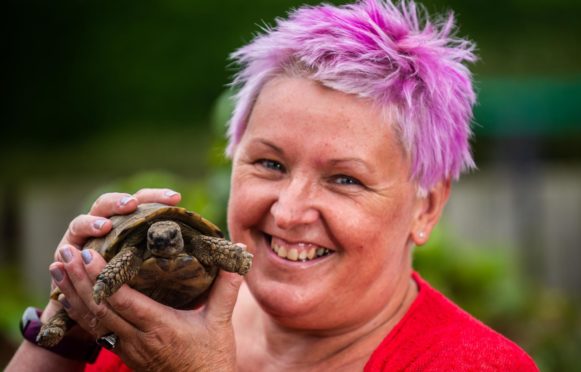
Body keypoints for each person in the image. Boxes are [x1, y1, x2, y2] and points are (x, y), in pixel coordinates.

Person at [7, 0, 538, 370]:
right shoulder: (148, 321)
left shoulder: (474, 365)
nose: (288, 211)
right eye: (270, 165)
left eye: (345, 179)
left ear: (427, 207)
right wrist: (64, 337)